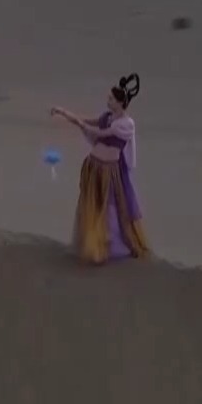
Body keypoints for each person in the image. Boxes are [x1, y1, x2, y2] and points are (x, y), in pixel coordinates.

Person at [50, 73, 149, 264]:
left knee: (110, 208)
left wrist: (81, 125)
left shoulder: (126, 124)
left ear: (120, 102)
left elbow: (101, 132)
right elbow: (87, 121)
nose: (108, 101)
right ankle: (93, 246)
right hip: (94, 166)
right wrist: (63, 112)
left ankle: (110, 247)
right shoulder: (107, 117)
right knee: (92, 206)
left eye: (111, 99)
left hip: (109, 171)